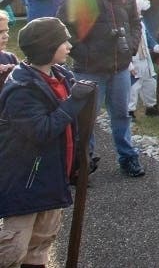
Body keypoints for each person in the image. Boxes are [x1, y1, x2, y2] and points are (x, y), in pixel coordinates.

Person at [0, 17, 96, 268]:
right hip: (26, 180)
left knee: (40, 244)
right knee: (13, 248)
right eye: (63, 41)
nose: (69, 46)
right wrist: (74, 102)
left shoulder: (61, 75)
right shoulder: (22, 89)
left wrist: (77, 159)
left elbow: (71, 125)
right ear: (46, 46)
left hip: (53, 176)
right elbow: (42, 130)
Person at [58, 0, 146, 177]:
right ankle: (83, 162)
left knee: (121, 114)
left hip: (119, 69)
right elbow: (62, 29)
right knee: (86, 119)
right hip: (89, 70)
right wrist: (82, 52)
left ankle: (128, 158)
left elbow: (136, 23)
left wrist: (132, 47)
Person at [127, 0, 159, 118]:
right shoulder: (126, 26)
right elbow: (123, 47)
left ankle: (151, 106)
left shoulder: (142, 24)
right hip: (133, 60)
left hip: (145, 60)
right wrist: (128, 64)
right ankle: (130, 111)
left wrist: (157, 47)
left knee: (150, 83)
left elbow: (148, 38)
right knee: (133, 88)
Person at [0, 13, 16, 87]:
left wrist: (14, 70)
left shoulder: (10, 57)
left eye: (6, 31)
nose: (6, 36)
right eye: (0, 32)